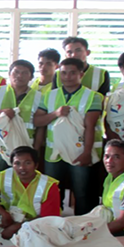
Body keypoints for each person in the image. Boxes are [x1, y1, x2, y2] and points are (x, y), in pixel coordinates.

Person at [34, 58, 104, 216]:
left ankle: (83, 228)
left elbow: (90, 127)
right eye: (64, 73)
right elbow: (38, 121)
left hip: (79, 151)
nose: (67, 77)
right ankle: (51, 225)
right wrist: (55, 113)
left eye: (73, 73)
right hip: (54, 153)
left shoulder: (93, 96)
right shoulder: (50, 96)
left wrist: (87, 152)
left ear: (81, 74)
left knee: (82, 192)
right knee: (50, 192)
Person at [0, 60, 43, 172]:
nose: (20, 76)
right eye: (16, 72)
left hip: (24, 149)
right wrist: (0, 112)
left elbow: (41, 127)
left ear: (31, 77)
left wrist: (36, 149)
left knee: (20, 183)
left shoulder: (39, 97)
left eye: (25, 73)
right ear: (9, 74)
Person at [0, 146, 61, 240]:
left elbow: (48, 218)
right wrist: (4, 214)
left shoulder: (48, 185)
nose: (22, 168)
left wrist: (15, 227)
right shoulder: (5, 175)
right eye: (17, 163)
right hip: (10, 215)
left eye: (27, 163)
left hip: (34, 221)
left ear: (36, 165)